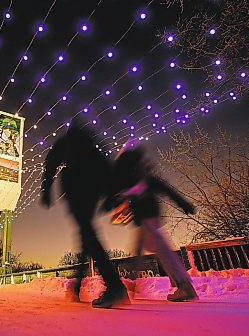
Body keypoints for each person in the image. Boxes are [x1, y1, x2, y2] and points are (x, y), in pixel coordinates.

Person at [40, 118, 129, 309]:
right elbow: (105, 167)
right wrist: (111, 195)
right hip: (93, 191)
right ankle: (78, 286)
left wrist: (46, 190)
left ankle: (115, 286)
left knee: (87, 234)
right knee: (86, 235)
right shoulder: (91, 143)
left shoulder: (67, 141)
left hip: (76, 190)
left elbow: (51, 163)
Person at [104, 145, 199, 302]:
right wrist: (184, 204)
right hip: (147, 218)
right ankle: (133, 281)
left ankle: (184, 285)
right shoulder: (143, 178)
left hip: (147, 217)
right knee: (141, 247)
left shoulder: (133, 179)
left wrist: (112, 201)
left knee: (162, 250)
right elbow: (166, 189)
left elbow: (120, 195)